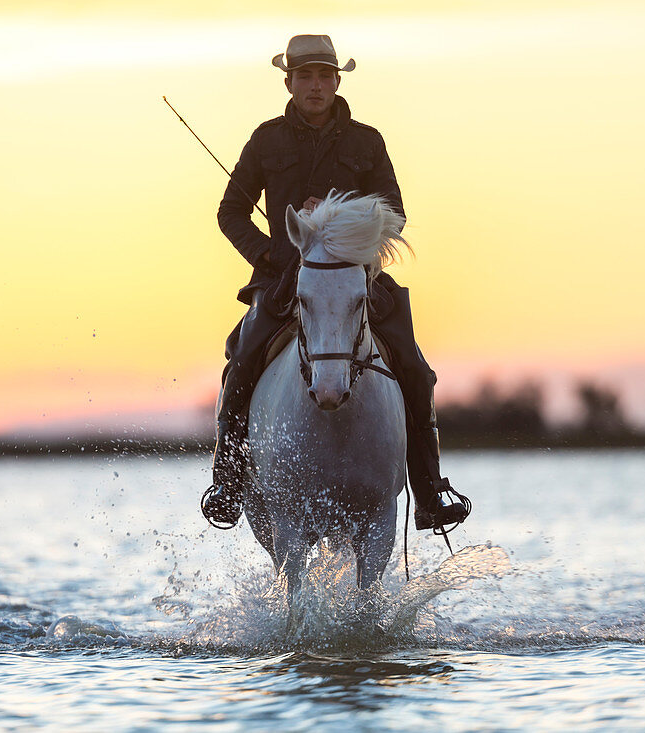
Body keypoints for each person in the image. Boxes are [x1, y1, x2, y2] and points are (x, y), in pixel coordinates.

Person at [201, 34, 470, 535]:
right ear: (289, 81)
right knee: (240, 361)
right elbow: (230, 212)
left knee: (414, 367)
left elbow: (395, 211)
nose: (316, 86)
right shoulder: (266, 139)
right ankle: (228, 479)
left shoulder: (366, 141)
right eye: (306, 76)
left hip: (358, 280)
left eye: (325, 76)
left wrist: (336, 219)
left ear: (337, 81)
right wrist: (269, 253)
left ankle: (430, 491)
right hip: (283, 279)